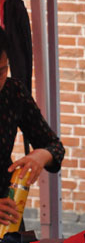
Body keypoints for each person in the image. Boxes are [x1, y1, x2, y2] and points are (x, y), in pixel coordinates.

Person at [0, 27, 64, 226]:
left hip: (7, 216)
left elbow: (54, 145)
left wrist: (41, 156)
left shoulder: (13, 92)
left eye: (1, 71)